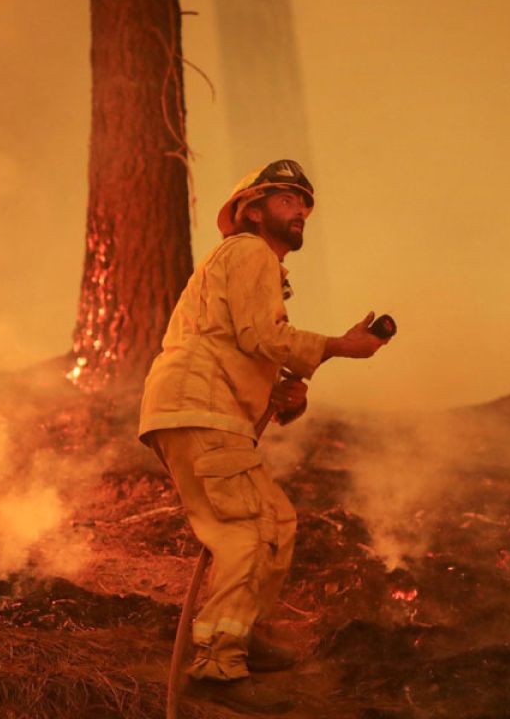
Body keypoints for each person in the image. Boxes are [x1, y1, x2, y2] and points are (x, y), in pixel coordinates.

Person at [139, 159, 388, 714]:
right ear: (252, 209)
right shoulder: (248, 251)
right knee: (246, 529)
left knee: (274, 523)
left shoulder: (251, 267)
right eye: (286, 199)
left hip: (204, 408)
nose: (299, 209)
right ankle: (217, 666)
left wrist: (284, 395)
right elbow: (260, 334)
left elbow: (238, 342)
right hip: (199, 407)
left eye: (304, 203)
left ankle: (237, 634)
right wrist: (341, 347)